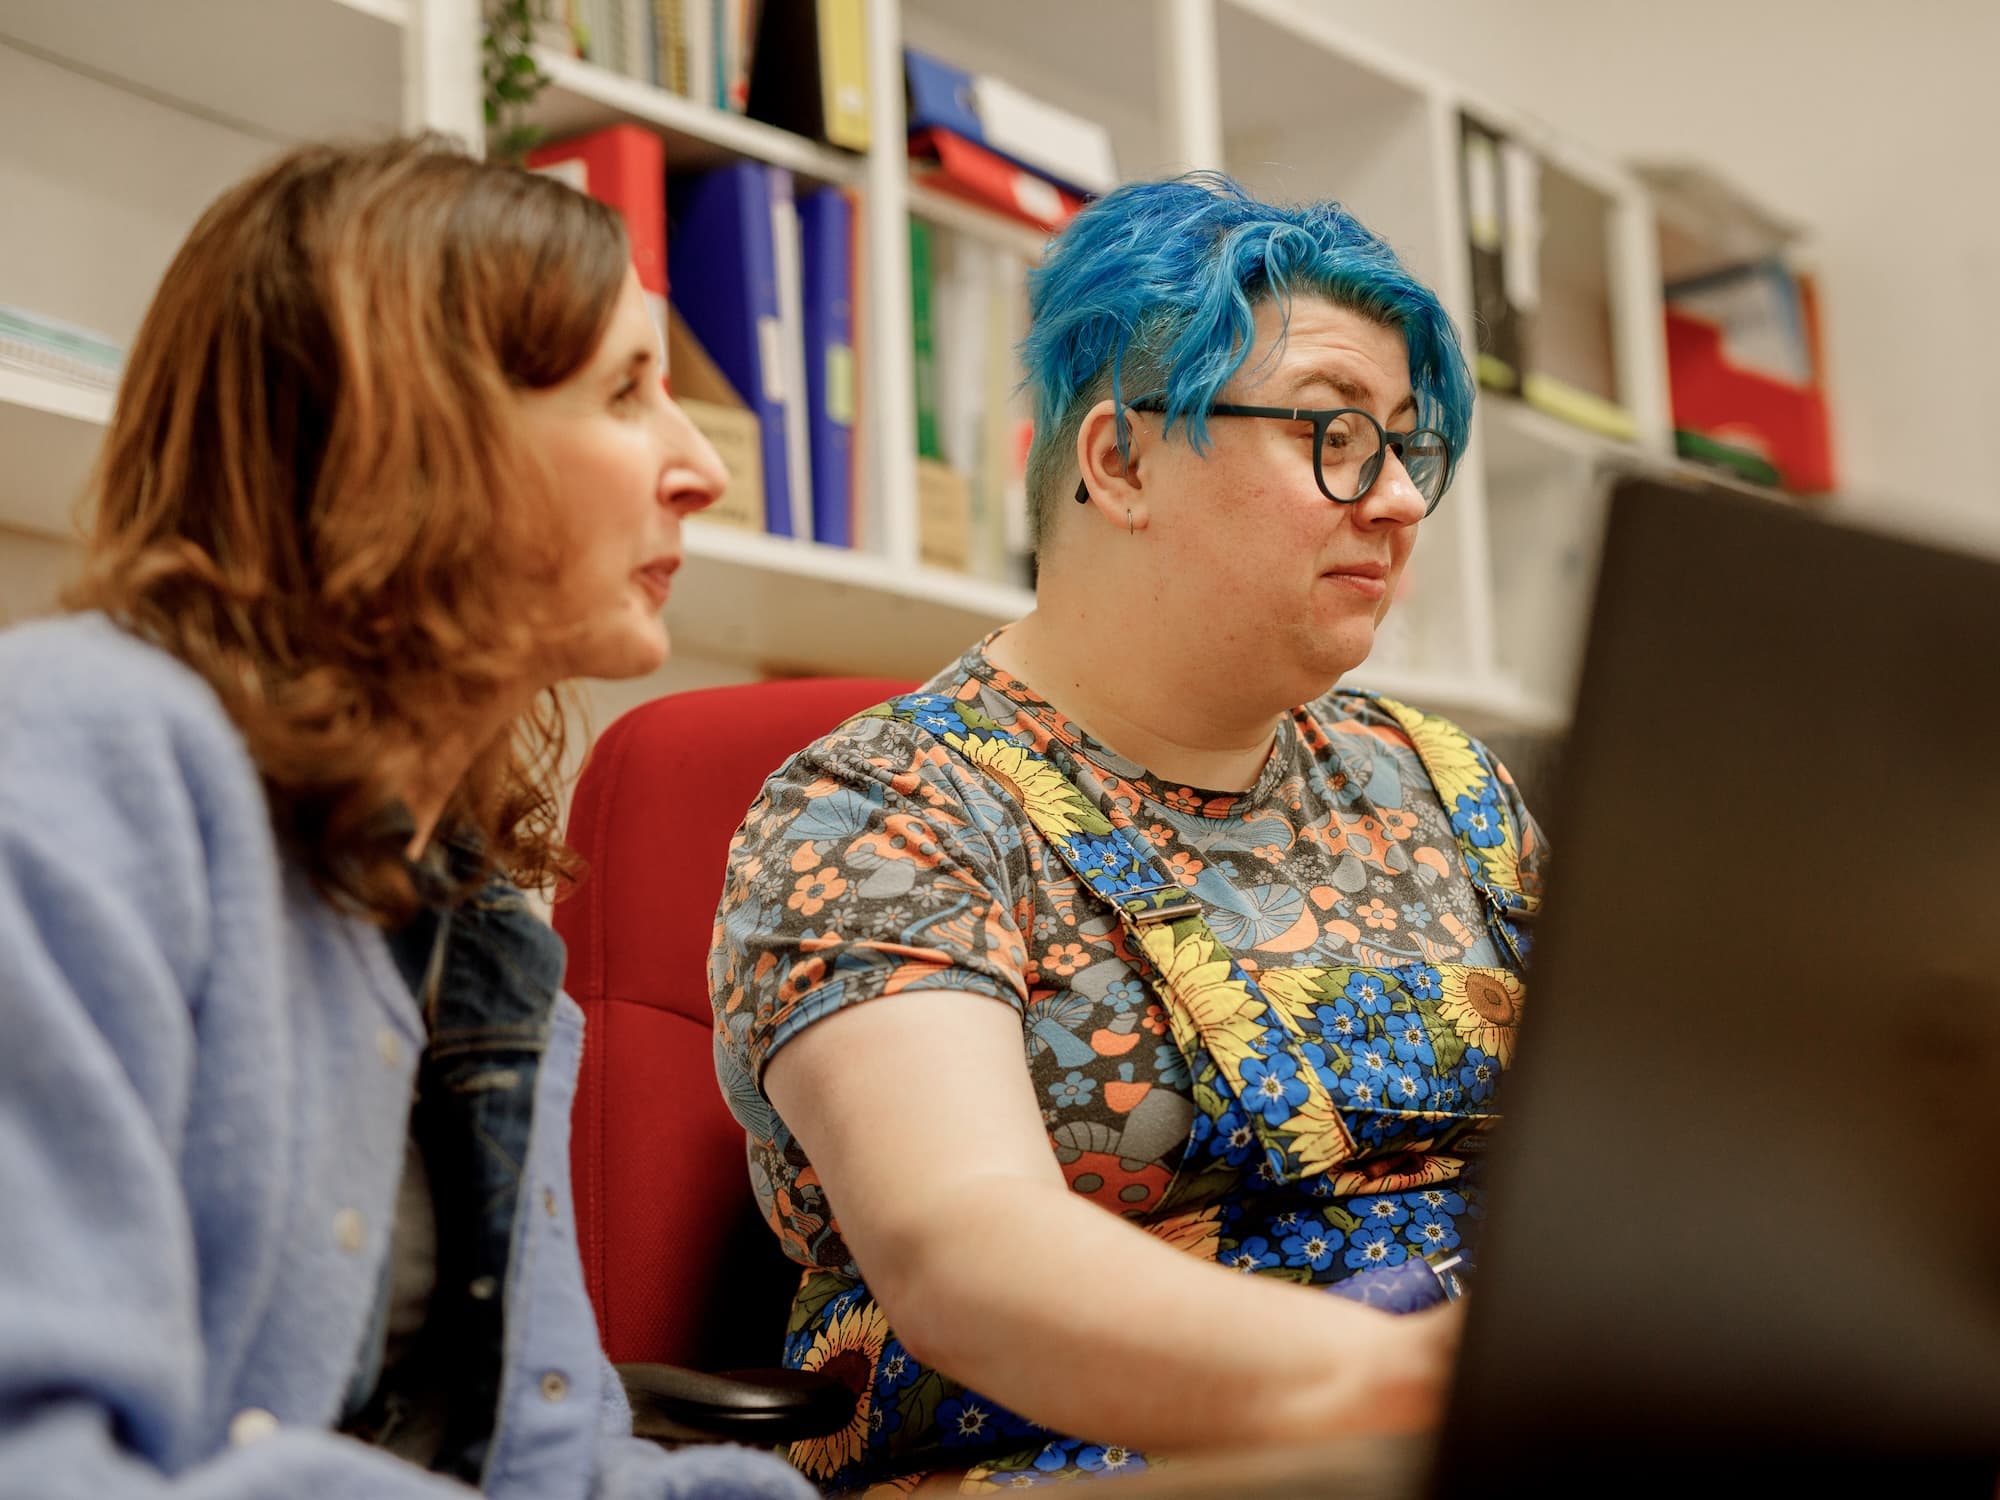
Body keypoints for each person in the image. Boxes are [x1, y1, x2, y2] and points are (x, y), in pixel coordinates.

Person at [0, 137, 812, 1500]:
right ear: (411, 431)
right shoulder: (72, 756)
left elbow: (546, 1468)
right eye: (626, 392)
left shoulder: (476, 918)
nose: (700, 470)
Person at [710, 174, 1545, 1494]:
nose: (1395, 499)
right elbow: (967, 1257)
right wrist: (1431, 1389)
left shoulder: (1448, 785)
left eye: (1406, 443)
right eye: (1334, 434)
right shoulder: (887, 806)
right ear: (1121, 460)